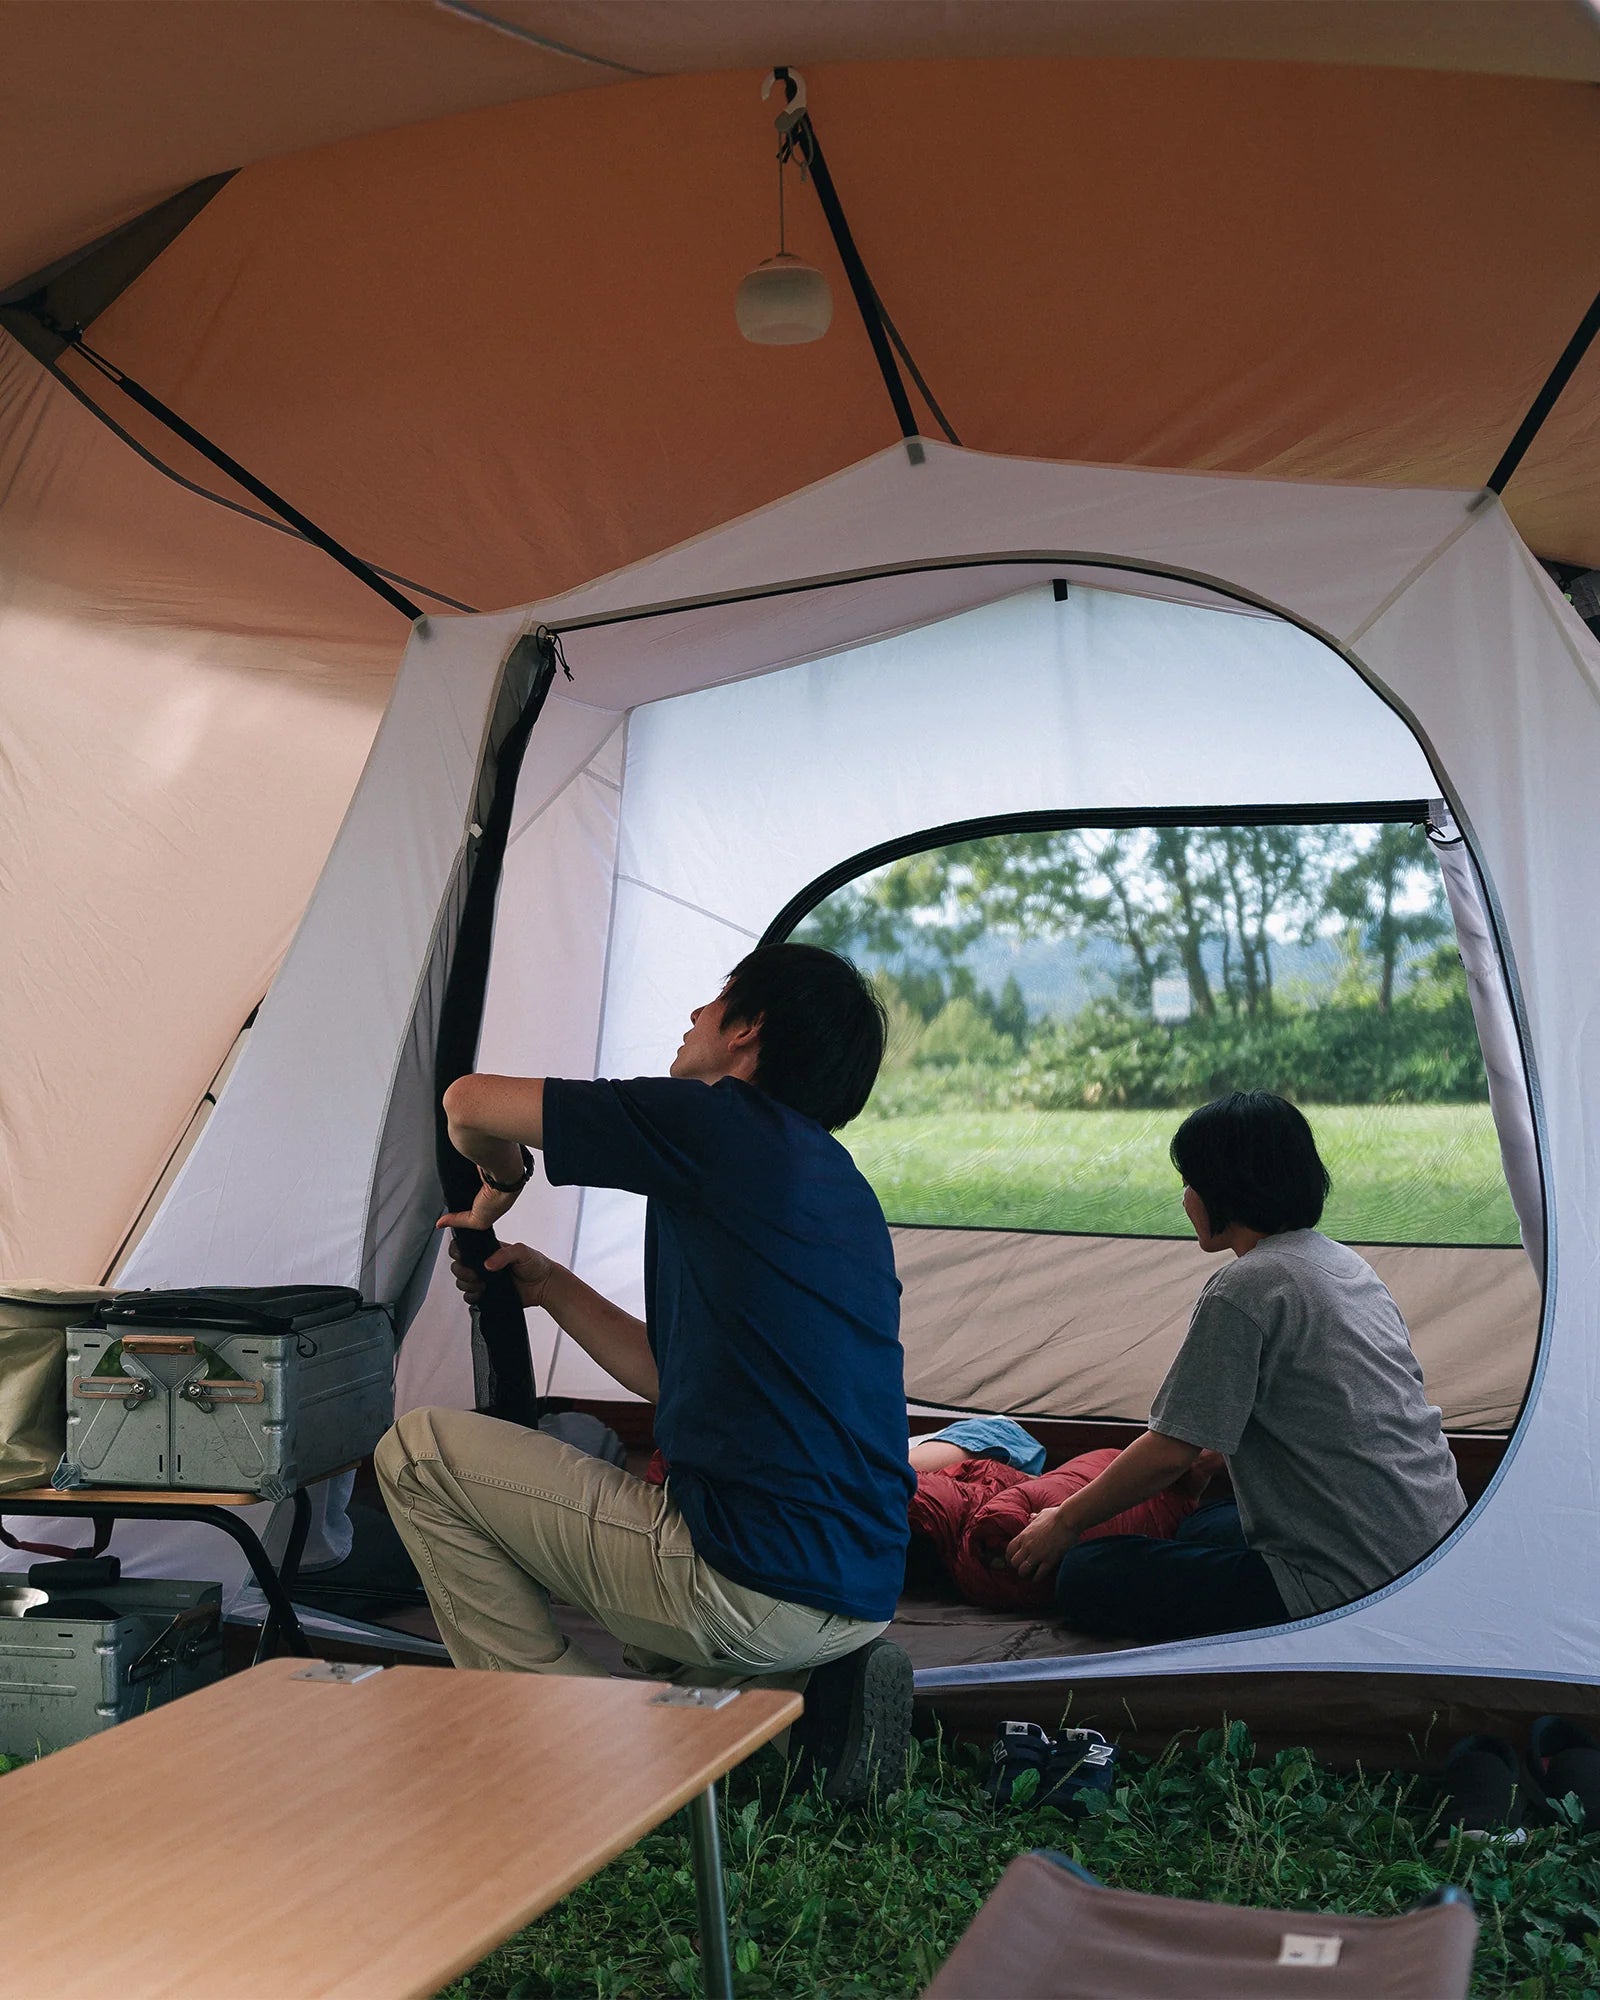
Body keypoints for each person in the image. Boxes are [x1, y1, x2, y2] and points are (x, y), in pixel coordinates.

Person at [374, 942, 917, 1802]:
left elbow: (468, 1101)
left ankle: (590, 1748)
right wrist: (549, 1286)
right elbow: (673, 1380)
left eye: (713, 1002)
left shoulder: (716, 1123)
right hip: (856, 1586)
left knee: (417, 1455)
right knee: (669, 1631)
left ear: (749, 1032)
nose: (693, 1016)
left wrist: (502, 1175)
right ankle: (789, 1723)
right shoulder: (838, 1187)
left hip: (745, 1576)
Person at [1006, 1091, 1467, 1644]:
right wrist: (1210, 1456)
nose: (1186, 1198)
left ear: (1221, 1191)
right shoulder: (1343, 1264)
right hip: (1433, 1560)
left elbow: (1168, 1452)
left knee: (1086, 1572)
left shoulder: (1247, 1287)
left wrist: (1065, 1521)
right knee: (1205, 1525)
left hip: (1341, 1591)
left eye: (1191, 1181)